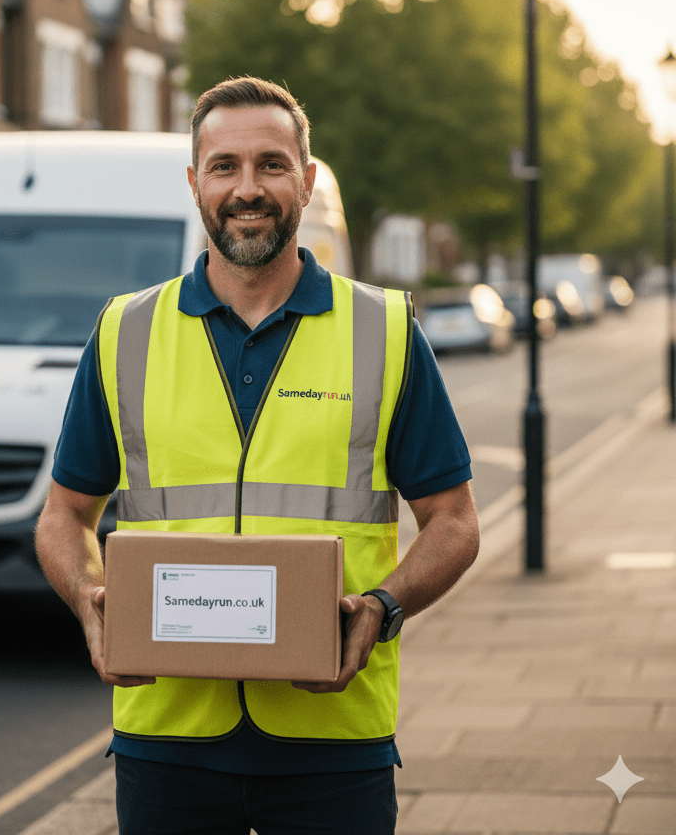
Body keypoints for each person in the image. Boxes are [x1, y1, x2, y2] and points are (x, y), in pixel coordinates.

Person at [35, 77, 479, 835]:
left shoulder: (385, 332)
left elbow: (455, 522)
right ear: (195, 183)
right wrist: (89, 599)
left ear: (307, 180)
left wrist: (384, 607)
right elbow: (63, 515)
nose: (248, 189)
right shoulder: (123, 333)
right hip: (167, 739)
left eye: (272, 165)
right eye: (225, 166)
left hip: (333, 741)